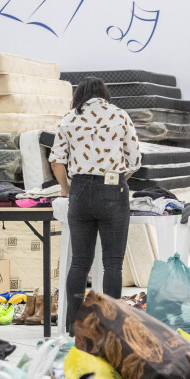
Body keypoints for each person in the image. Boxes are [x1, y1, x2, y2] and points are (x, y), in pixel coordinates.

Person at [50, 78, 142, 333]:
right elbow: (134, 159)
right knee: (112, 262)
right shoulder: (119, 115)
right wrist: (117, 181)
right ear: (104, 94)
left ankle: (73, 323)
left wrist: (66, 188)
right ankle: (111, 325)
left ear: (80, 95)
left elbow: (57, 160)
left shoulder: (69, 118)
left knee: (79, 261)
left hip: (79, 189)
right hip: (112, 188)